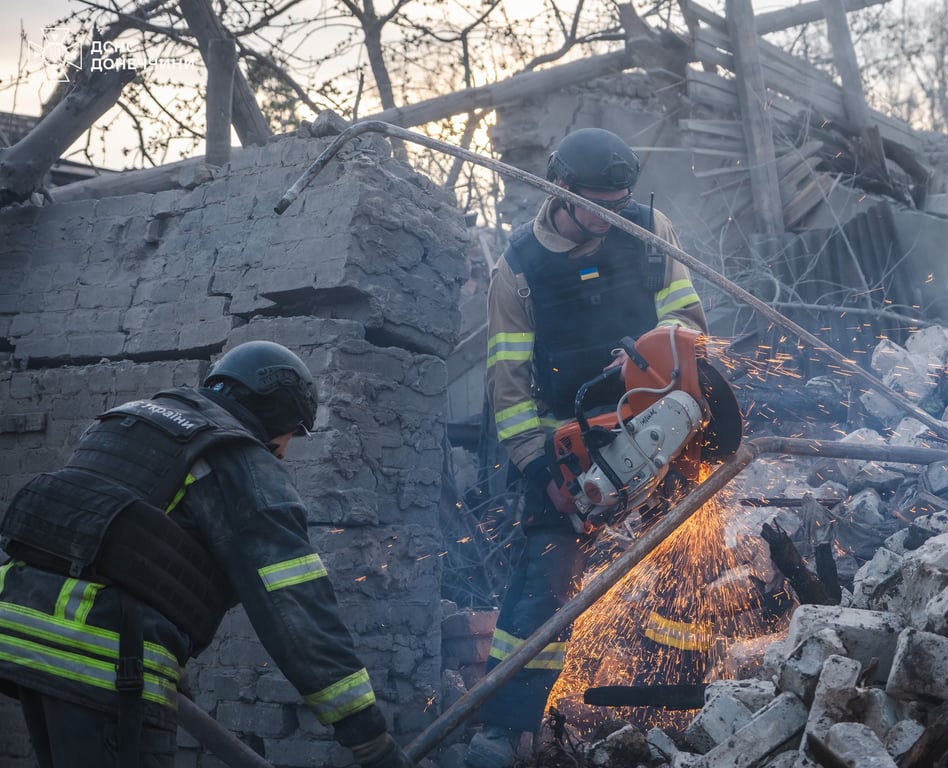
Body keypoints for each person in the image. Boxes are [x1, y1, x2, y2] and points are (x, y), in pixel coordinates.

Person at [0, 340, 415, 768]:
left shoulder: (129, 420)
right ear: (277, 412)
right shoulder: (240, 462)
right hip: (99, 658)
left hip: (18, 630)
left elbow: (110, 545)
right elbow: (296, 610)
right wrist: (368, 736)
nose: (285, 451)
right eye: (289, 435)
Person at [467, 127, 708, 768]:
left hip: (655, 416)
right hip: (563, 437)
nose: (611, 220)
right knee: (545, 578)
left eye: (619, 204)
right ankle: (504, 725)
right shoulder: (517, 268)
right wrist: (540, 465)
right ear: (560, 190)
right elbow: (510, 389)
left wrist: (655, 360)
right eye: (597, 207)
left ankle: (676, 699)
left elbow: (689, 324)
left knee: (689, 548)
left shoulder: (650, 228)